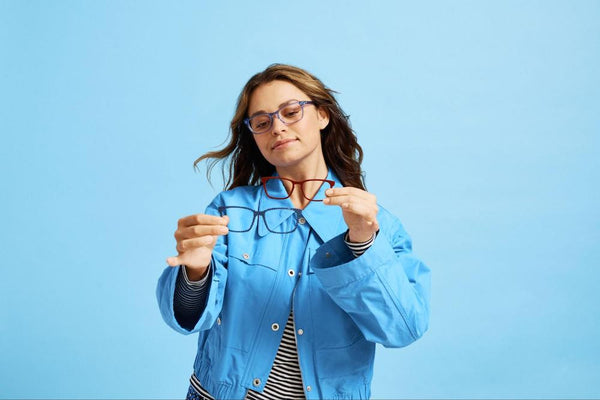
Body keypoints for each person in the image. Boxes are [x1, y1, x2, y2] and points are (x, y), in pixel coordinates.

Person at [156, 64, 431, 400]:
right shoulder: (231, 210)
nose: (278, 128)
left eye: (291, 112)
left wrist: (362, 246)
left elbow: (403, 329)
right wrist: (196, 272)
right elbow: (186, 319)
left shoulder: (374, 223)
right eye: (262, 122)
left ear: (323, 116)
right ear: (253, 135)